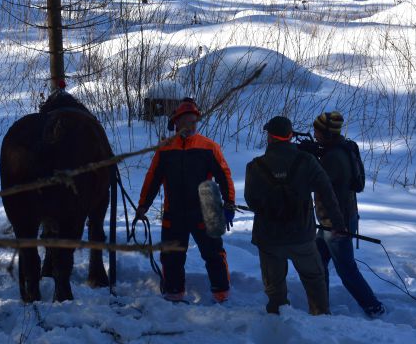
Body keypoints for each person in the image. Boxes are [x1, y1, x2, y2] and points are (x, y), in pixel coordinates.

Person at [244, 116, 346, 315]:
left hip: (269, 238)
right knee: (314, 280)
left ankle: (279, 324)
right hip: (302, 236)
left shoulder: (255, 166)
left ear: (269, 137)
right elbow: (327, 192)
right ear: (290, 136)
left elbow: (251, 201)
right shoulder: (307, 161)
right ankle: (321, 322)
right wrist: (338, 223)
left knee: (275, 288)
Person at [137, 98, 236, 303]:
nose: (191, 124)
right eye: (186, 120)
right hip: (174, 212)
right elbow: (152, 178)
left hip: (204, 211)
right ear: (176, 122)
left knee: (214, 254)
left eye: (194, 119)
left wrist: (229, 204)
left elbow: (224, 176)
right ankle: (173, 293)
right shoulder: (165, 149)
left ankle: (222, 294)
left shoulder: (209, 147)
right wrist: (143, 205)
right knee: (171, 256)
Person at [312, 111, 385, 317]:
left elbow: (316, 183)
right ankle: (321, 306)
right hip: (338, 219)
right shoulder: (342, 148)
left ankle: (373, 306)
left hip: (336, 223)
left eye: (317, 130)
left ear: (327, 134)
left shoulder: (332, 158)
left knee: (346, 270)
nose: (314, 133)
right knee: (317, 262)